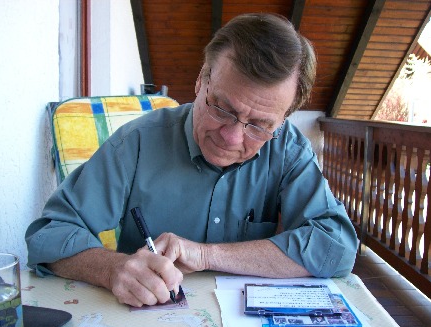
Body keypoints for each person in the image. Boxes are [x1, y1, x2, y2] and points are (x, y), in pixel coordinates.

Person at [26, 13, 358, 308]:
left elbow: (337, 245)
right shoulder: (137, 142)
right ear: (201, 80)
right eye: (222, 108)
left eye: (259, 126)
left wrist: (203, 254)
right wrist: (113, 269)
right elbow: (49, 234)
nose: (232, 137)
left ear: (283, 120)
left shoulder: (287, 149)